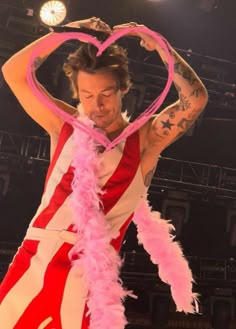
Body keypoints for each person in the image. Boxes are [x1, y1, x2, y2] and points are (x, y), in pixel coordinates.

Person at [0, 17, 208, 329]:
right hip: (35, 259)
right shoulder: (65, 124)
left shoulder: (145, 140)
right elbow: (13, 73)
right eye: (86, 94)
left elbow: (196, 100)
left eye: (107, 94)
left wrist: (163, 49)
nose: (97, 104)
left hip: (89, 278)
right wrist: (65, 32)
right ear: (76, 92)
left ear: (125, 88)